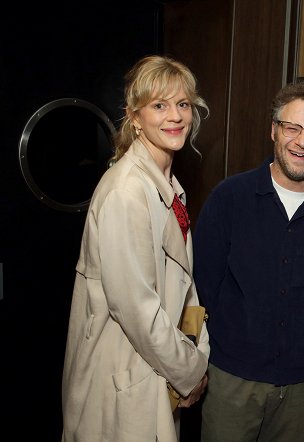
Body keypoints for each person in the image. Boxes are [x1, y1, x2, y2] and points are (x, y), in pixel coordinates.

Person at [61, 55, 210, 441]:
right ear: (134, 115)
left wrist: (197, 350)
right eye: (159, 105)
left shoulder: (168, 183)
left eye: (182, 104)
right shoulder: (126, 191)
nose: (174, 116)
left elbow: (184, 287)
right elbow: (136, 309)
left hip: (155, 368)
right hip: (123, 374)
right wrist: (190, 371)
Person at [193, 80, 304, 441]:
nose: (302, 141)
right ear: (274, 131)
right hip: (232, 377)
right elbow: (205, 283)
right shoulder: (230, 198)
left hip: (302, 382)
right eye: (292, 128)